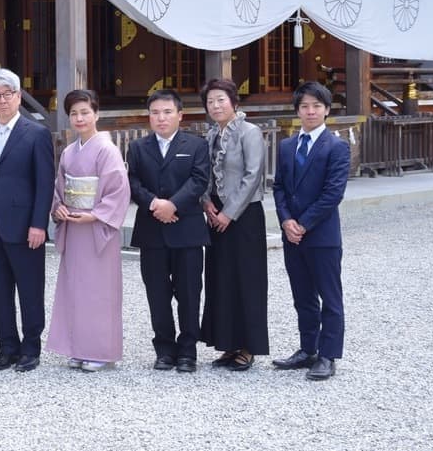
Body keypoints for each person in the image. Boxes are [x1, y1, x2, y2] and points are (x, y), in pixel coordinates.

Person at [0, 67, 54, 373]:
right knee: (1, 292)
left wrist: (39, 224)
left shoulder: (36, 134)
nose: (2, 100)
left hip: (25, 227)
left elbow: (44, 183)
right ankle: (7, 347)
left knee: (30, 290)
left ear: (19, 97)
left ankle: (31, 348)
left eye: (7, 94)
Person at [46, 89, 130, 372]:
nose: (79, 118)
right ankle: (78, 348)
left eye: (85, 112)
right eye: (74, 114)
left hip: (96, 228)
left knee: (99, 291)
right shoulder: (69, 152)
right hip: (74, 226)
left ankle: (101, 351)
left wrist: (94, 215)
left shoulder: (107, 150)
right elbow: (60, 188)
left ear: (96, 114)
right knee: (74, 289)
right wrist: (58, 207)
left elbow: (118, 191)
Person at [127, 88, 210, 373]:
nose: (161, 118)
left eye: (167, 112)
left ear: (180, 115)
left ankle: (187, 351)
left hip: (186, 230)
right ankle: (164, 349)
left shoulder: (196, 145)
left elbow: (199, 180)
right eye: (155, 113)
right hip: (152, 231)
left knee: (189, 293)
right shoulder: (138, 147)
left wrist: (172, 205)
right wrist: (154, 204)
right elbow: (132, 182)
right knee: (157, 294)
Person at [271, 81, 350, 381]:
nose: (310, 111)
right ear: (297, 111)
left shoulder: (336, 146)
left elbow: (333, 194)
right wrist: (286, 220)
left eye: (317, 106)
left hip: (321, 234)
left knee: (330, 297)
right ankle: (308, 349)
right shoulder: (287, 145)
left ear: (327, 110)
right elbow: (279, 187)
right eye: (304, 106)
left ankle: (328, 355)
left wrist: (303, 223)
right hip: (292, 234)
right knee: (302, 296)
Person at [198, 79, 269, 371]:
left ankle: (249, 346)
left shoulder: (249, 132)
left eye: (221, 100)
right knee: (221, 279)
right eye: (210, 101)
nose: (216, 106)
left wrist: (229, 213)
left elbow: (253, 175)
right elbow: (203, 173)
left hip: (244, 215)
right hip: (215, 214)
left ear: (234, 102)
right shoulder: (211, 134)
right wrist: (206, 202)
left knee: (247, 280)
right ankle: (228, 342)